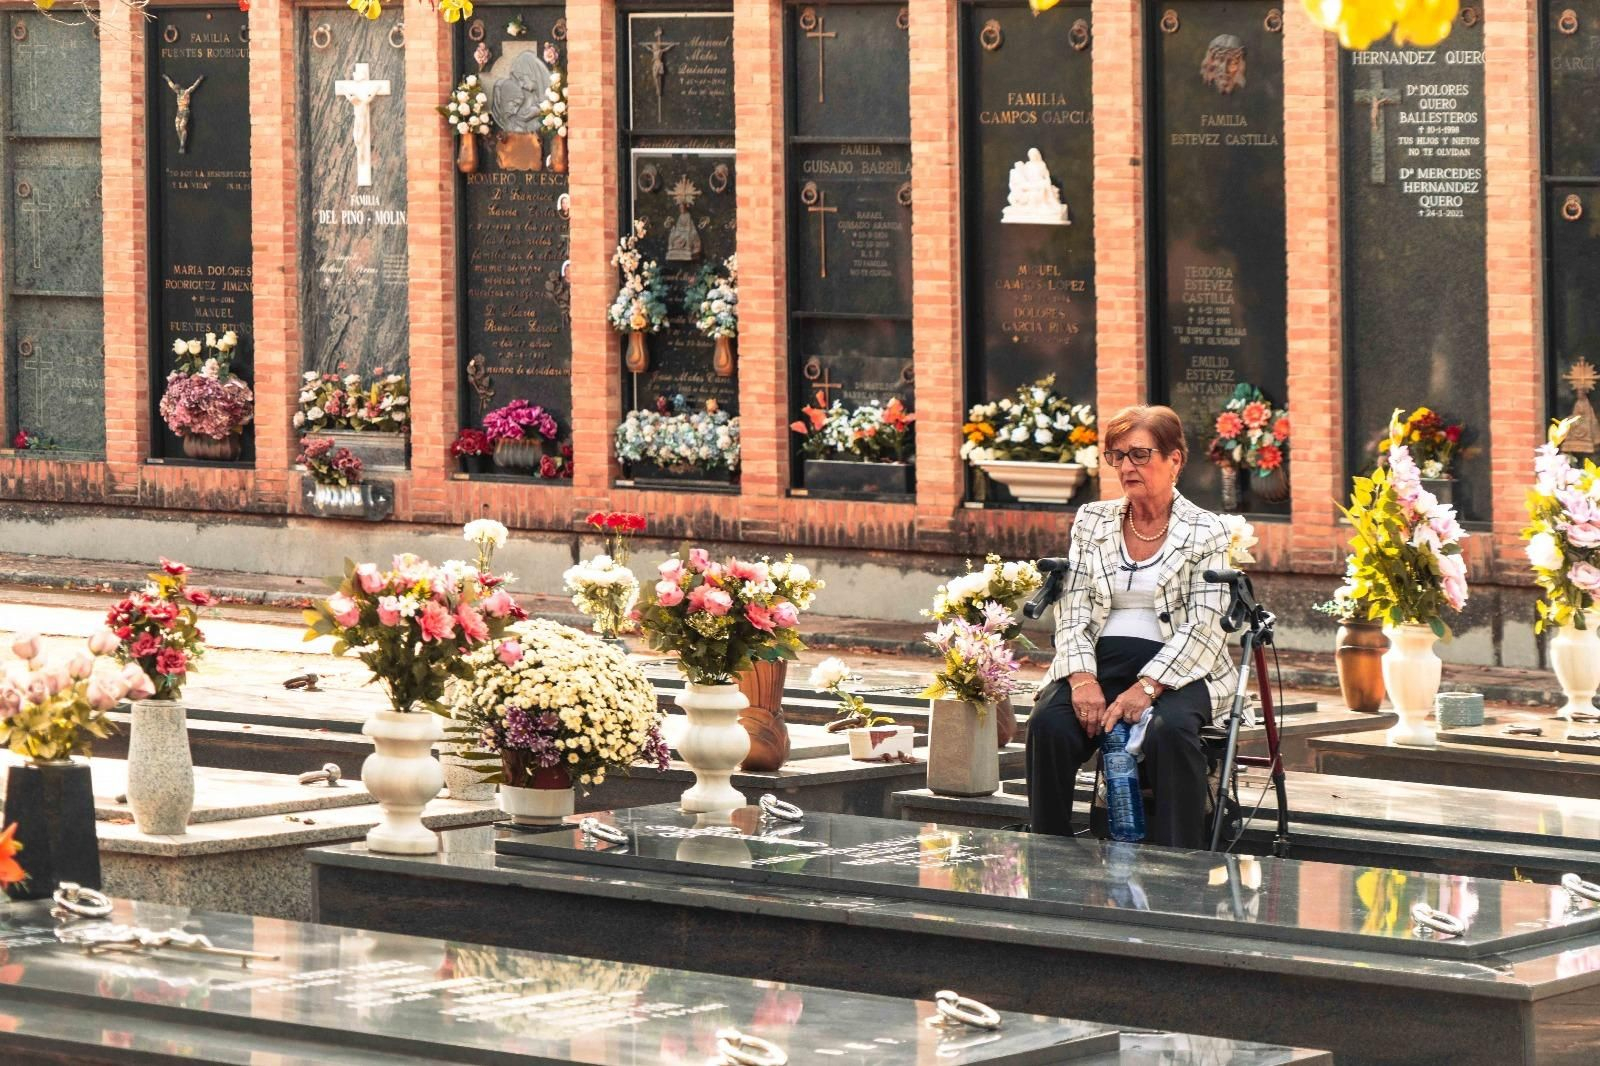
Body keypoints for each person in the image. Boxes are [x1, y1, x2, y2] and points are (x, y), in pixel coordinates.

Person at [1025, 405, 1236, 849]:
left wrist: (1148, 688)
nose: (1126, 467)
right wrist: (1082, 678)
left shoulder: (1207, 530)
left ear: (1175, 460)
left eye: (1139, 454)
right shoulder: (1093, 520)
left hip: (1181, 667)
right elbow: (1073, 608)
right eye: (1116, 456)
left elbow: (1204, 626)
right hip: (1099, 661)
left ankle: (1181, 862)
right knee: (1050, 724)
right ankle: (1048, 853)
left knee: (1171, 732)